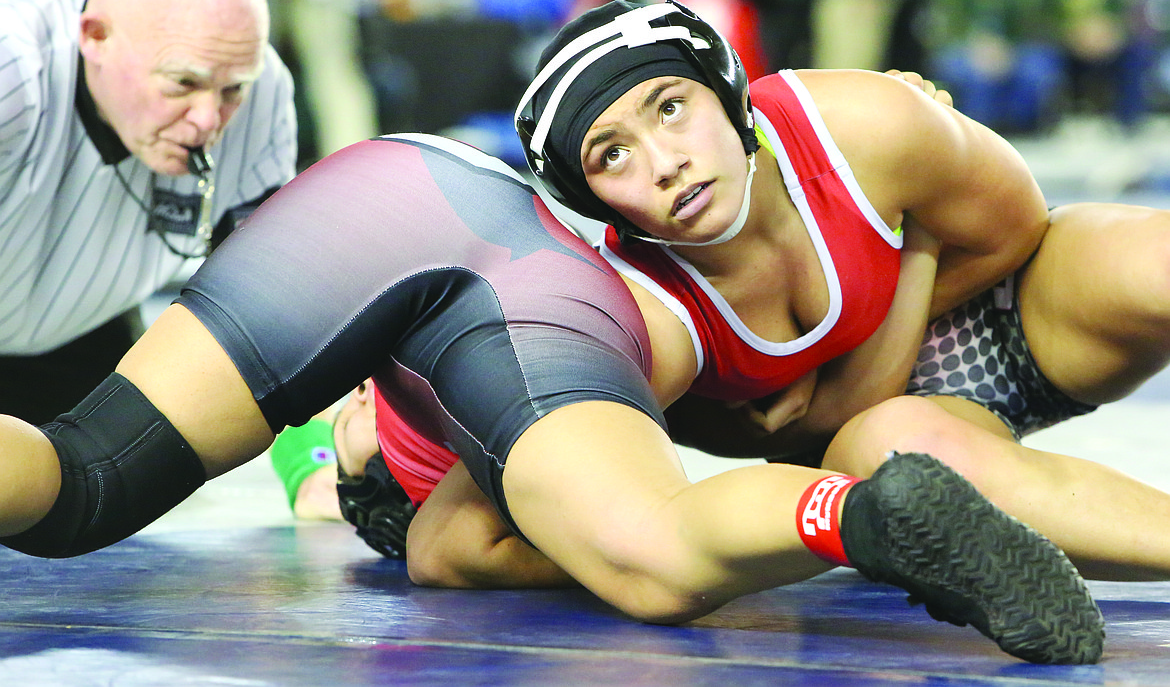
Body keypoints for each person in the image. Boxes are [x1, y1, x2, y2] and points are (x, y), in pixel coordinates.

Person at [0, 133, 1102, 665]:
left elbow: (409, 529)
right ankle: (851, 511)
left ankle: (856, 515)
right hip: (437, 195)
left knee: (83, 475)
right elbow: (372, 504)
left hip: (431, 241)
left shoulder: (391, 488)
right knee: (78, 476)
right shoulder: (381, 467)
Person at [509, 0, 1170, 588]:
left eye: (672, 107)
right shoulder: (643, 315)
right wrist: (921, 241)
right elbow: (478, 528)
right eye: (612, 155)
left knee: (1150, 261)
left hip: (1008, 311)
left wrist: (831, 362)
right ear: (593, 201)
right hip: (876, 446)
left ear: (727, 92)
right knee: (901, 458)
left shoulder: (856, 124)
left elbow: (1018, 226)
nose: (665, 162)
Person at [0, 0, 298, 423]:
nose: (208, 120)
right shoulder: (12, 66)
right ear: (95, 37)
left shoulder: (259, 84)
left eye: (231, 91)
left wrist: (307, 467)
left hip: (84, 326)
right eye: (183, 82)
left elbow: (270, 322)